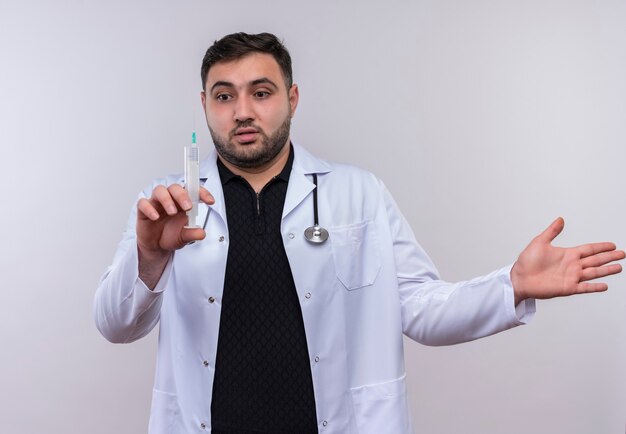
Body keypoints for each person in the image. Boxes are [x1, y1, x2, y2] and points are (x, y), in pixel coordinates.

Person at [94, 32, 624, 434]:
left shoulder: (358, 193)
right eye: (224, 96)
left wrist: (512, 284)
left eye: (261, 92)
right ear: (205, 104)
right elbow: (115, 325)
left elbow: (419, 308)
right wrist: (147, 255)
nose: (244, 112)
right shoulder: (166, 204)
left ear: (293, 98)